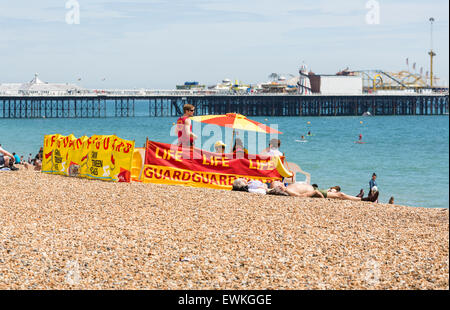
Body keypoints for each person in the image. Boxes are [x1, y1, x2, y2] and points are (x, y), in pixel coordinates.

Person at [311, 184, 379, 202]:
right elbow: (302, 195)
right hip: (319, 192)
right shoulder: (332, 189)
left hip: (320, 191)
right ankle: (366, 199)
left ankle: (364, 198)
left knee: (342, 195)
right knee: (341, 195)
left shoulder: (331, 189)